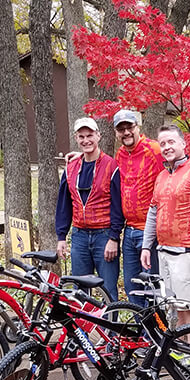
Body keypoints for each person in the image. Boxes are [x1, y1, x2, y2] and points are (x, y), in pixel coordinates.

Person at [140, 124, 190, 336]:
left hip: (188, 254)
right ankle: (180, 351)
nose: (167, 147)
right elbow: (153, 213)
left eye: (171, 142)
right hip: (163, 252)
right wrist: (147, 246)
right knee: (173, 306)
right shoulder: (162, 177)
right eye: (163, 143)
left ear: (183, 144)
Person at [55, 117, 120, 299]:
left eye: (90, 135)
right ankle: (83, 328)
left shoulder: (111, 166)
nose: (86, 140)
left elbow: (117, 205)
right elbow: (64, 205)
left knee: (108, 290)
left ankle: (110, 328)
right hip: (79, 237)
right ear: (76, 139)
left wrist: (114, 237)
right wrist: (61, 236)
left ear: (98, 136)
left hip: (104, 236)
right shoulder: (71, 168)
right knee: (79, 291)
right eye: (81, 137)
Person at [108, 109, 163, 307]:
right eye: (121, 129)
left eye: (129, 127)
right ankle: (139, 335)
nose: (126, 132)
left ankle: (155, 335)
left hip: (150, 232)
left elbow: (178, 163)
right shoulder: (120, 155)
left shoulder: (154, 149)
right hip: (128, 232)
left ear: (137, 127)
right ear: (116, 132)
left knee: (152, 288)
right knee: (133, 288)